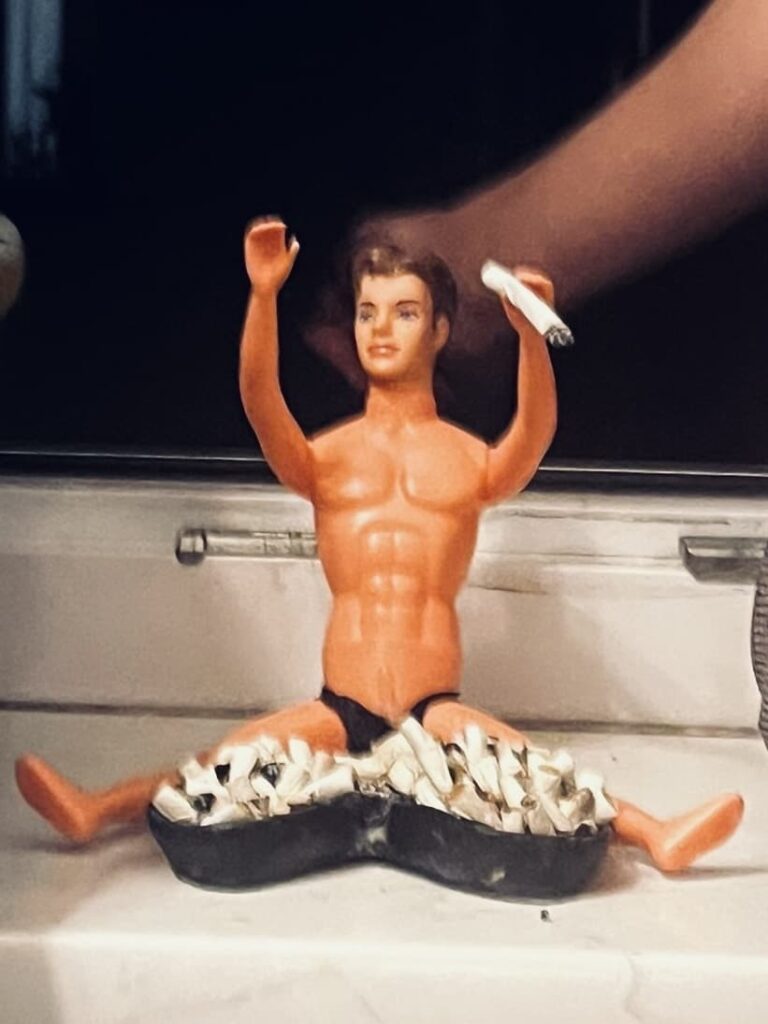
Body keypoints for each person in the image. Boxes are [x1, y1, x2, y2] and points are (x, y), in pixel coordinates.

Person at [15, 219, 743, 871]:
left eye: (404, 312)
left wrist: (530, 338)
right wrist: (264, 296)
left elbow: (532, 435)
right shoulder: (328, 459)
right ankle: (96, 810)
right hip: (344, 706)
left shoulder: (466, 460)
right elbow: (260, 400)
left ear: (440, 331)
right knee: (226, 763)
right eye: (367, 312)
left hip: (432, 707)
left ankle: (654, 835)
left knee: (531, 772)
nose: (381, 329)